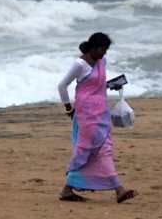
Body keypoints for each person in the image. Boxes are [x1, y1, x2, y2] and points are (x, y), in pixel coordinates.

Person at [56, 32, 137, 203]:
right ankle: (118, 189)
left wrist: (113, 85)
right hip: (86, 116)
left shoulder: (102, 61)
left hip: (101, 113)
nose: (104, 54)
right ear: (93, 47)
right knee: (90, 150)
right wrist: (68, 108)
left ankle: (69, 190)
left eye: (106, 50)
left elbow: (97, 85)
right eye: (102, 50)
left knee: (101, 149)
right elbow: (62, 86)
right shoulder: (80, 64)